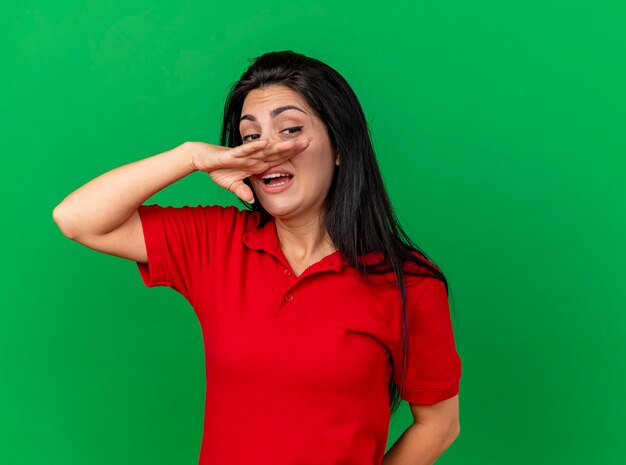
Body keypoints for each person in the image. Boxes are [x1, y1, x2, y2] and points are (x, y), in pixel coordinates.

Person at [53, 50, 462, 465]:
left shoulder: (407, 282)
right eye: (250, 138)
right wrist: (191, 157)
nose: (267, 150)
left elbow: (440, 424)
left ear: (340, 146)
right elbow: (77, 219)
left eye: (289, 130)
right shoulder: (217, 243)